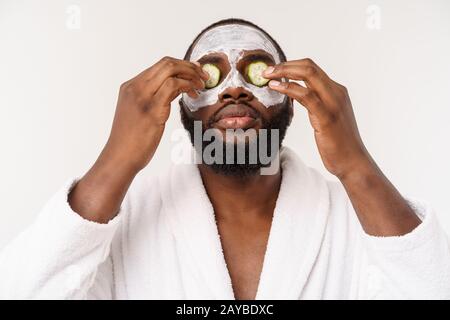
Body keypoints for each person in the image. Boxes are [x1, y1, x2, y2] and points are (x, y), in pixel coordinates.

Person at [0, 18, 449, 300]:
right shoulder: (121, 221)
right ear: (179, 104)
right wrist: (118, 161)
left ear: (291, 102)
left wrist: (357, 166)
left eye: (255, 69)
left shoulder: (357, 222)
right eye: (212, 73)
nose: (234, 88)